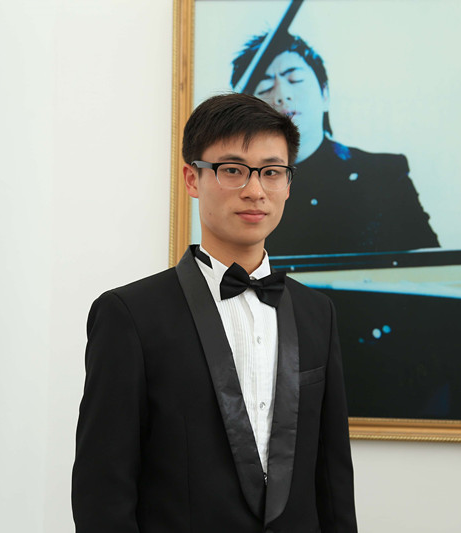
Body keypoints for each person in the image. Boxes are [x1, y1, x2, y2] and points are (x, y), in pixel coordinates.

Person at [72, 93, 358, 532]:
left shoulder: (318, 313)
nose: (255, 190)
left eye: (272, 172)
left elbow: (332, 479)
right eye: (232, 170)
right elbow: (102, 491)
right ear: (192, 178)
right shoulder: (129, 316)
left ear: (287, 183)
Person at [232, 32, 440, 256]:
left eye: (295, 79)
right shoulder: (235, 186)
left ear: (325, 95)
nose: (282, 95)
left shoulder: (383, 174)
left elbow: (428, 270)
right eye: (264, 87)